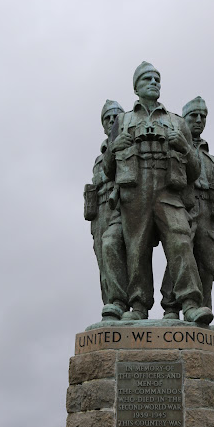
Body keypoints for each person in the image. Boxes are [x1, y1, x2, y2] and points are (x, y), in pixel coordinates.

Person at [103, 62, 213, 325]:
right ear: (136, 87)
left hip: (168, 193)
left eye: (157, 79)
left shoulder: (175, 121)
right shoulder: (123, 120)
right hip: (135, 192)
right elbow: (109, 171)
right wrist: (113, 148)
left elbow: (195, 170)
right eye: (147, 79)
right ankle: (139, 306)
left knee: (180, 241)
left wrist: (184, 148)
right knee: (136, 249)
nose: (154, 82)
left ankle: (190, 304)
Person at [161, 96, 214, 316]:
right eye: (193, 116)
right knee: (180, 255)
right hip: (184, 208)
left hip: (208, 213)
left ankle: (203, 309)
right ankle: (170, 307)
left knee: (207, 265)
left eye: (203, 116)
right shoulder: (175, 146)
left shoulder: (211, 158)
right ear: (184, 119)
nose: (199, 120)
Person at [84, 100, 128, 320]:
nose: (111, 121)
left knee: (117, 252)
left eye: (115, 117)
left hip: (121, 206)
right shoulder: (99, 157)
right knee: (103, 261)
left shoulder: (127, 146)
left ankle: (123, 302)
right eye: (107, 118)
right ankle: (111, 305)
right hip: (99, 211)